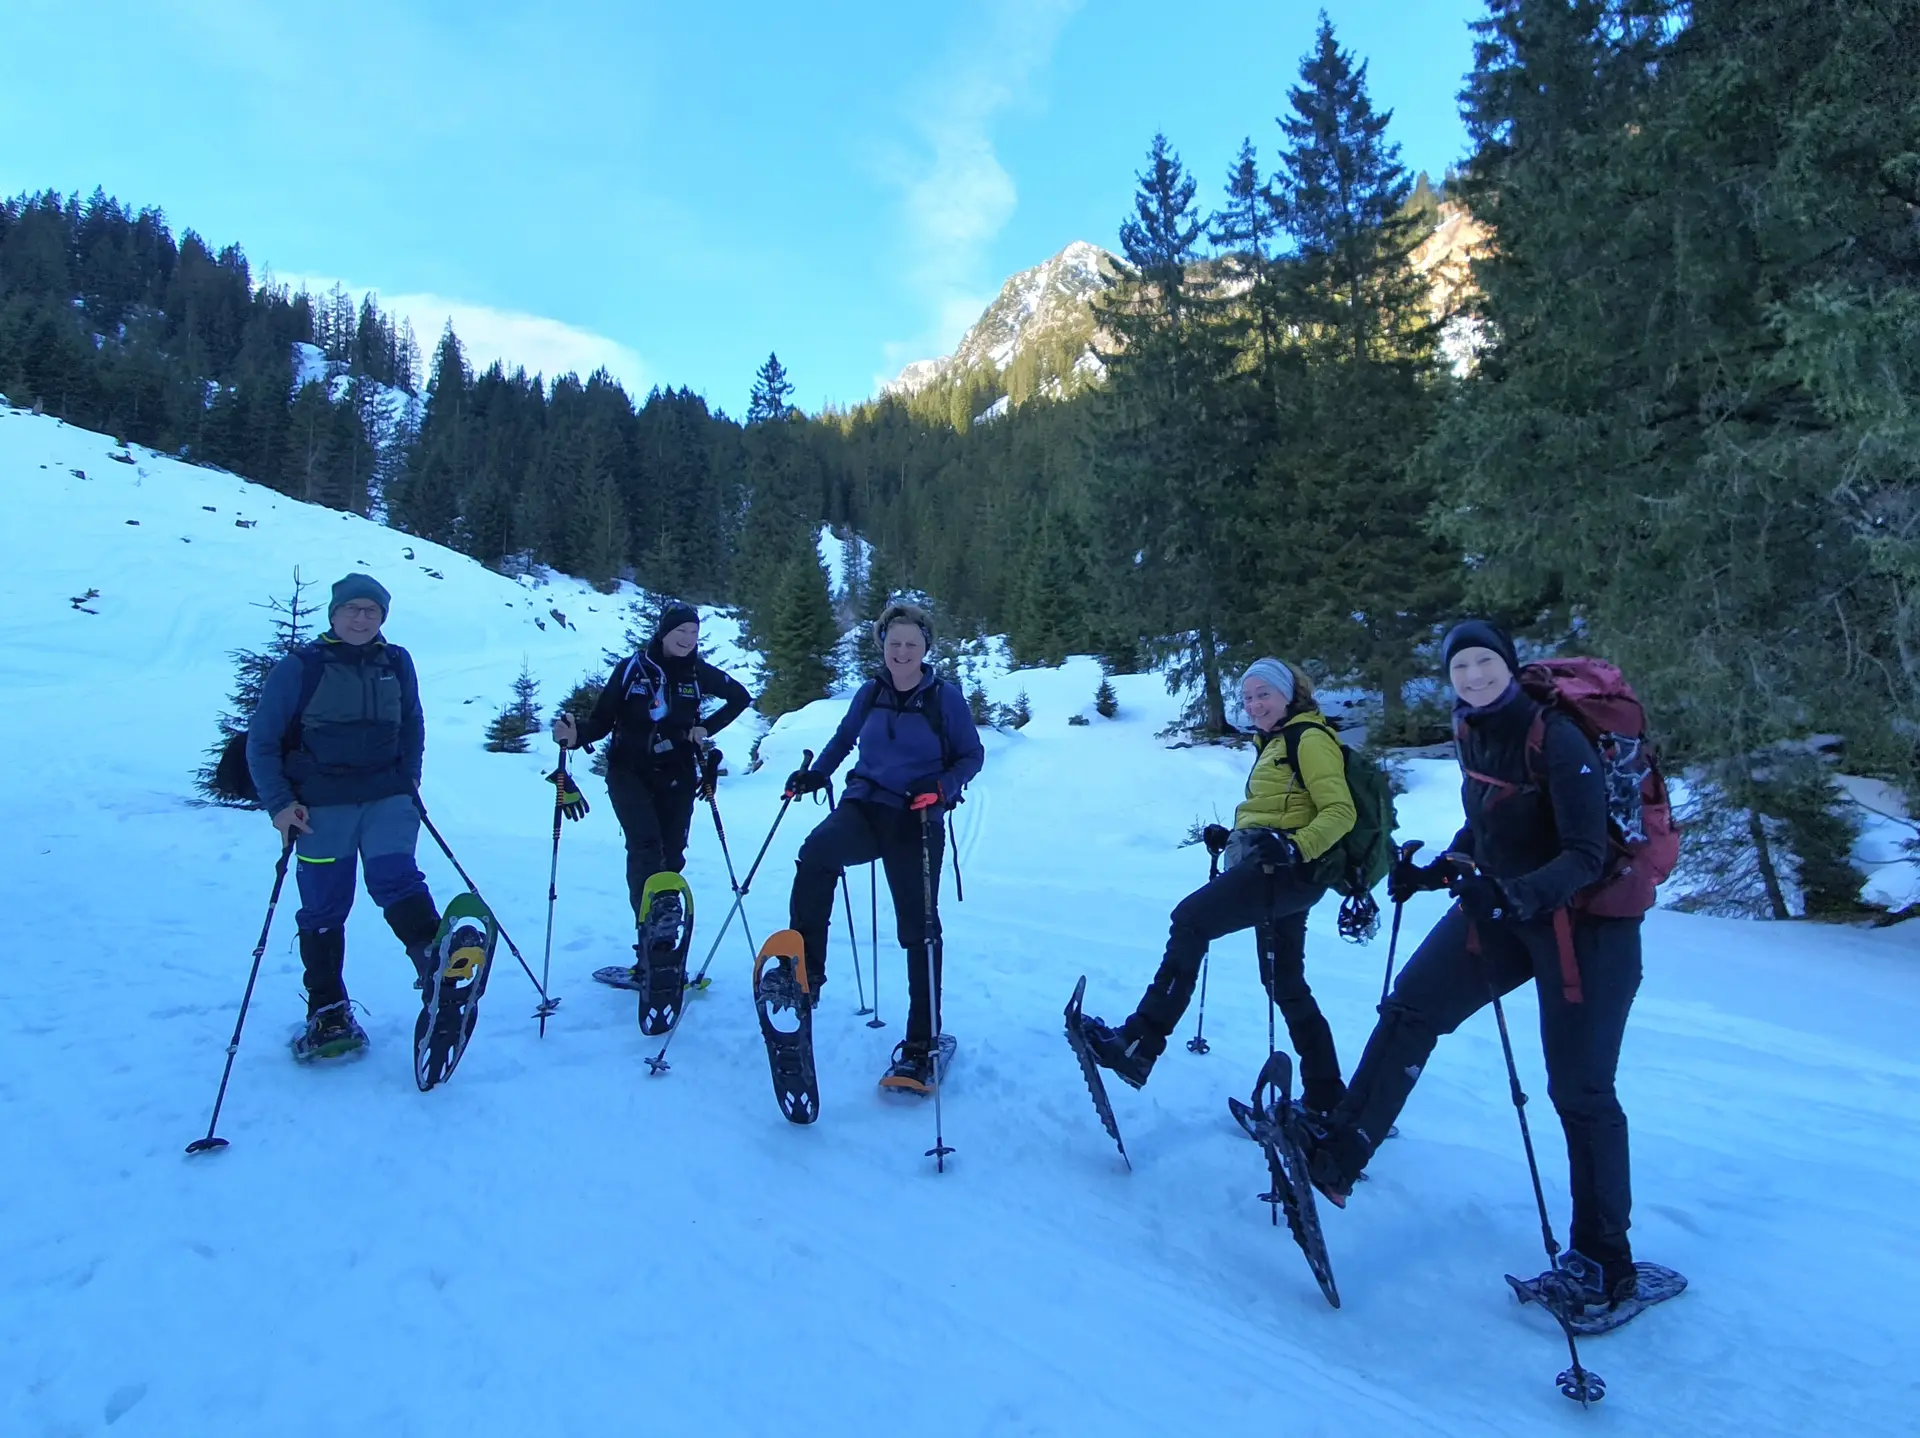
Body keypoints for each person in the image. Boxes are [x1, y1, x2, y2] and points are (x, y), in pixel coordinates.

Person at [1301, 620, 1643, 1315]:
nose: (1474, 677)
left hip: (1587, 928)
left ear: (1509, 666)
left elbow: (1586, 854)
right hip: (1506, 911)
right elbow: (1488, 825)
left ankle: (1607, 1264)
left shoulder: (1558, 737)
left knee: (1580, 1091)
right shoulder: (1470, 728)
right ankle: (1340, 1154)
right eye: (1461, 667)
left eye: (1485, 663)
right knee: (1411, 1006)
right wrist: (1440, 869)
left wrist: (1510, 893)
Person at [1079, 659, 1356, 1113]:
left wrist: (1294, 848)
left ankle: (1139, 1043)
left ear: (1289, 694)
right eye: (1247, 697)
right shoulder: (1277, 741)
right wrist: (1233, 838)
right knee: (1285, 982)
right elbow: (1282, 810)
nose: (1254, 704)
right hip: (1286, 872)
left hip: (1285, 872)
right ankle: (1327, 1096)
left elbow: (1339, 812)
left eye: (1263, 693)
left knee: (1190, 922)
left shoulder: (1308, 738)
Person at [783, 602, 984, 1090]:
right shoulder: (870, 692)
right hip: (865, 807)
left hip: (916, 818)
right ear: (882, 645)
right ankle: (805, 972)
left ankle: (922, 1044)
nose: (901, 652)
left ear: (925, 648)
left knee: (918, 929)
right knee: (816, 853)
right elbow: (843, 739)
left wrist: (942, 787)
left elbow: (971, 756)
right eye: (893, 643)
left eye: (911, 644)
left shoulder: (945, 698)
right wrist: (817, 774)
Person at [246, 573, 443, 1062]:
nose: (361, 618)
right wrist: (279, 804)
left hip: (387, 797)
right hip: (320, 805)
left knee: (395, 878)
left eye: (371, 611)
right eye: (352, 610)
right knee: (325, 906)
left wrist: (409, 778)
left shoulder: (396, 662)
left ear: (382, 618)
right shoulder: (301, 667)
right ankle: (328, 1009)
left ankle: (438, 966)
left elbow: (413, 723)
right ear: (333, 614)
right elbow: (263, 740)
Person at [551, 604, 752, 962]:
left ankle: (665, 935)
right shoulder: (632, 669)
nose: (688, 640)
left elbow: (740, 698)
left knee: (672, 854)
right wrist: (575, 735)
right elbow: (601, 720)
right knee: (645, 846)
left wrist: (706, 728)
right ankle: (650, 934)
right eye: (681, 632)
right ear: (664, 632)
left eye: (694, 633)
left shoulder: (697, 673)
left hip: (678, 772)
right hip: (629, 771)